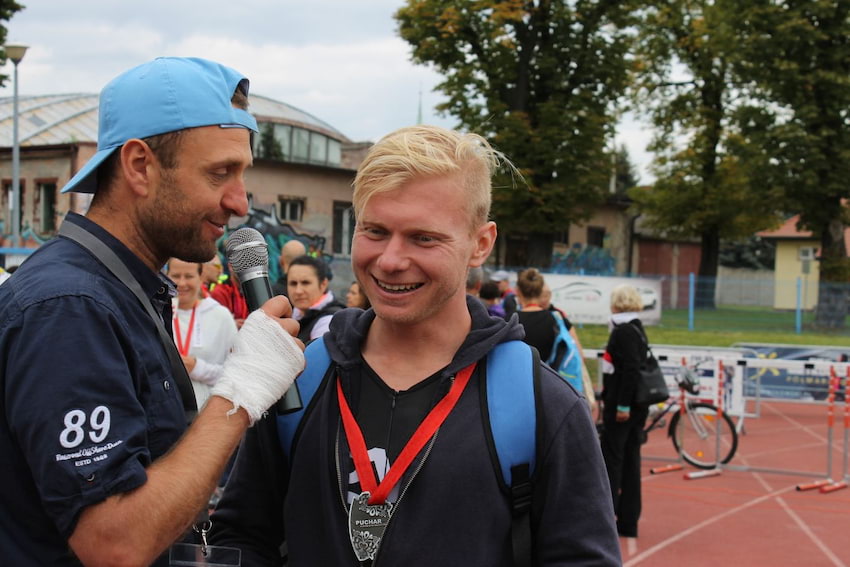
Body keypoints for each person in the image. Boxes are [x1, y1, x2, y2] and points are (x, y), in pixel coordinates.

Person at [210, 125, 620, 565]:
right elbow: (244, 537)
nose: (390, 260)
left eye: (424, 238)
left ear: (481, 244)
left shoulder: (542, 405)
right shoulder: (298, 379)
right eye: (375, 231)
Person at [0, 57, 306, 566]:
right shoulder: (70, 307)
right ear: (140, 166)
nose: (239, 203)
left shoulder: (122, 288)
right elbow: (114, 543)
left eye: (242, 173)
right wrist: (241, 391)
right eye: (220, 173)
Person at [599, 284, 650, 540]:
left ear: (616, 303)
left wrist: (621, 406)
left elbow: (629, 369)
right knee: (630, 461)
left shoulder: (623, 332)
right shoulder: (636, 328)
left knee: (614, 462)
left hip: (623, 406)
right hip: (635, 405)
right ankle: (628, 521)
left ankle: (608, 516)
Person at [166, 258, 239, 409]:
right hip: (167, 414)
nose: (182, 283)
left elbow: (236, 374)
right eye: (176, 276)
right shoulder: (158, 313)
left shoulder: (220, 316)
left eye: (189, 276)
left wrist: (197, 368)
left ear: (201, 277)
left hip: (205, 415)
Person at [288, 254, 346, 342]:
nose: (298, 291)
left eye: (305, 283)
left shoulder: (329, 322)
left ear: (323, 284)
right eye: (293, 283)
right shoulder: (294, 313)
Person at [210, 262, 250, 328]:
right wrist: (231, 325)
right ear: (230, 266)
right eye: (241, 264)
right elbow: (215, 324)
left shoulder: (254, 291)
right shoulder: (220, 292)